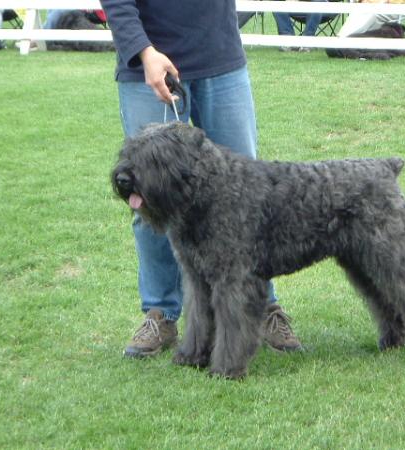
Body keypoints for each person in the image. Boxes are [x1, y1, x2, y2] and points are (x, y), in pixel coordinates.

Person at [100, 0, 303, 358]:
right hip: (146, 63)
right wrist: (143, 51)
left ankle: (265, 307)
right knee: (147, 197)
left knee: (250, 197)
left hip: (219, 56)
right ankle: (160, 314)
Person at [338, 0, 405, 38]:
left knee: (372, 14)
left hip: (391, 8)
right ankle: (343, 37)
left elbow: (400, 2)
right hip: (365, 6)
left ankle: (345, 38)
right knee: (357, 13)